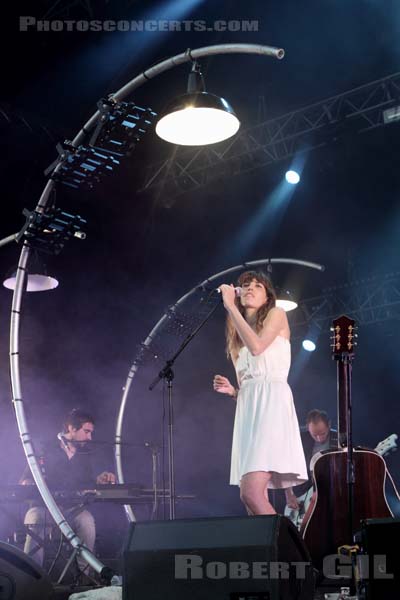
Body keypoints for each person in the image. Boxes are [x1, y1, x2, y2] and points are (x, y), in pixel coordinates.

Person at [213, 270, 308, 516]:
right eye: (245, 285)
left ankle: (292, 553)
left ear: (267, 297)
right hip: (249, 409)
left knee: (251, 493)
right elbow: (247, 384)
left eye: (258, 286)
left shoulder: (277, 314)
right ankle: (270, 554)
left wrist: (230, 307)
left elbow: (257, 348)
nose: (250, 288)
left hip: (272, 404)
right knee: (248, 500)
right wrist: (234, 392)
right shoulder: (236, 336)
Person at [20, 408, 116, 574]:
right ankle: (28, 575)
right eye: (86, 431)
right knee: (36, 518)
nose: (89, 437)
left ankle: (86, 577)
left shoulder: (84, 454)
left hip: (72, 510)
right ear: (71, 428)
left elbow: (85, 483)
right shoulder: (45, 448)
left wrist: (98, 480)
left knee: (86, 520)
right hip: (44, 508)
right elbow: (24, 481)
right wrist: (32, 485)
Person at [285, 409, 338, 509]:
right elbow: (288, 464)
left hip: (331, 492)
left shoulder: (340, 439)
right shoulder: (301, 439)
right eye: (314, 435)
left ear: (329, 425)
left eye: (322, 434)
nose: (319, 438)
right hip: (304, 493)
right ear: (308, 429)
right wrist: (288, 493)